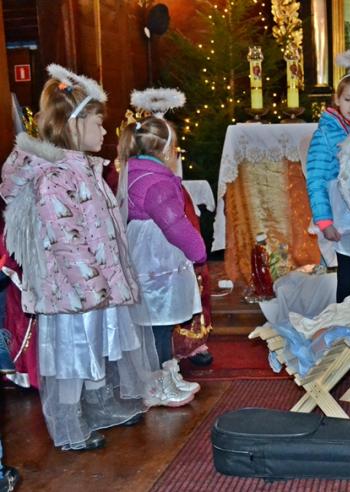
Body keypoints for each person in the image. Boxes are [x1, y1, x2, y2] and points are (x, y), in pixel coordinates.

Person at [0, 65, 160, 450]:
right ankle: (68, 426)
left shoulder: (83, 168)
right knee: (72, 356)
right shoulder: (54, 175)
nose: (105, 132)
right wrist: (92, 283)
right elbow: (62, 237)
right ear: (73, 124)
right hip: (72, 290)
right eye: (98, 123)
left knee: (100, 346)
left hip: (96, 282)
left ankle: (100, 406)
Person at [117, 88, 205, 406]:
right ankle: (155, 385)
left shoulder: (136, 172)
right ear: (165, 150)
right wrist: (197, 250)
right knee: (160, 324)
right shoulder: (157, 182)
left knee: (159, 324)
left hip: (146, 252)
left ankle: (167, 375)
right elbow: (174, 225)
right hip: (157, 258)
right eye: (175, 147)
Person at [306, 55, 350, 303]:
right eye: (348, 99)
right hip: (341, 214)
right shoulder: (325, 133)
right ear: (337, 99)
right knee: (346, 272)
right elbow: (315, 179)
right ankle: (342, 313)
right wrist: (324, 221)